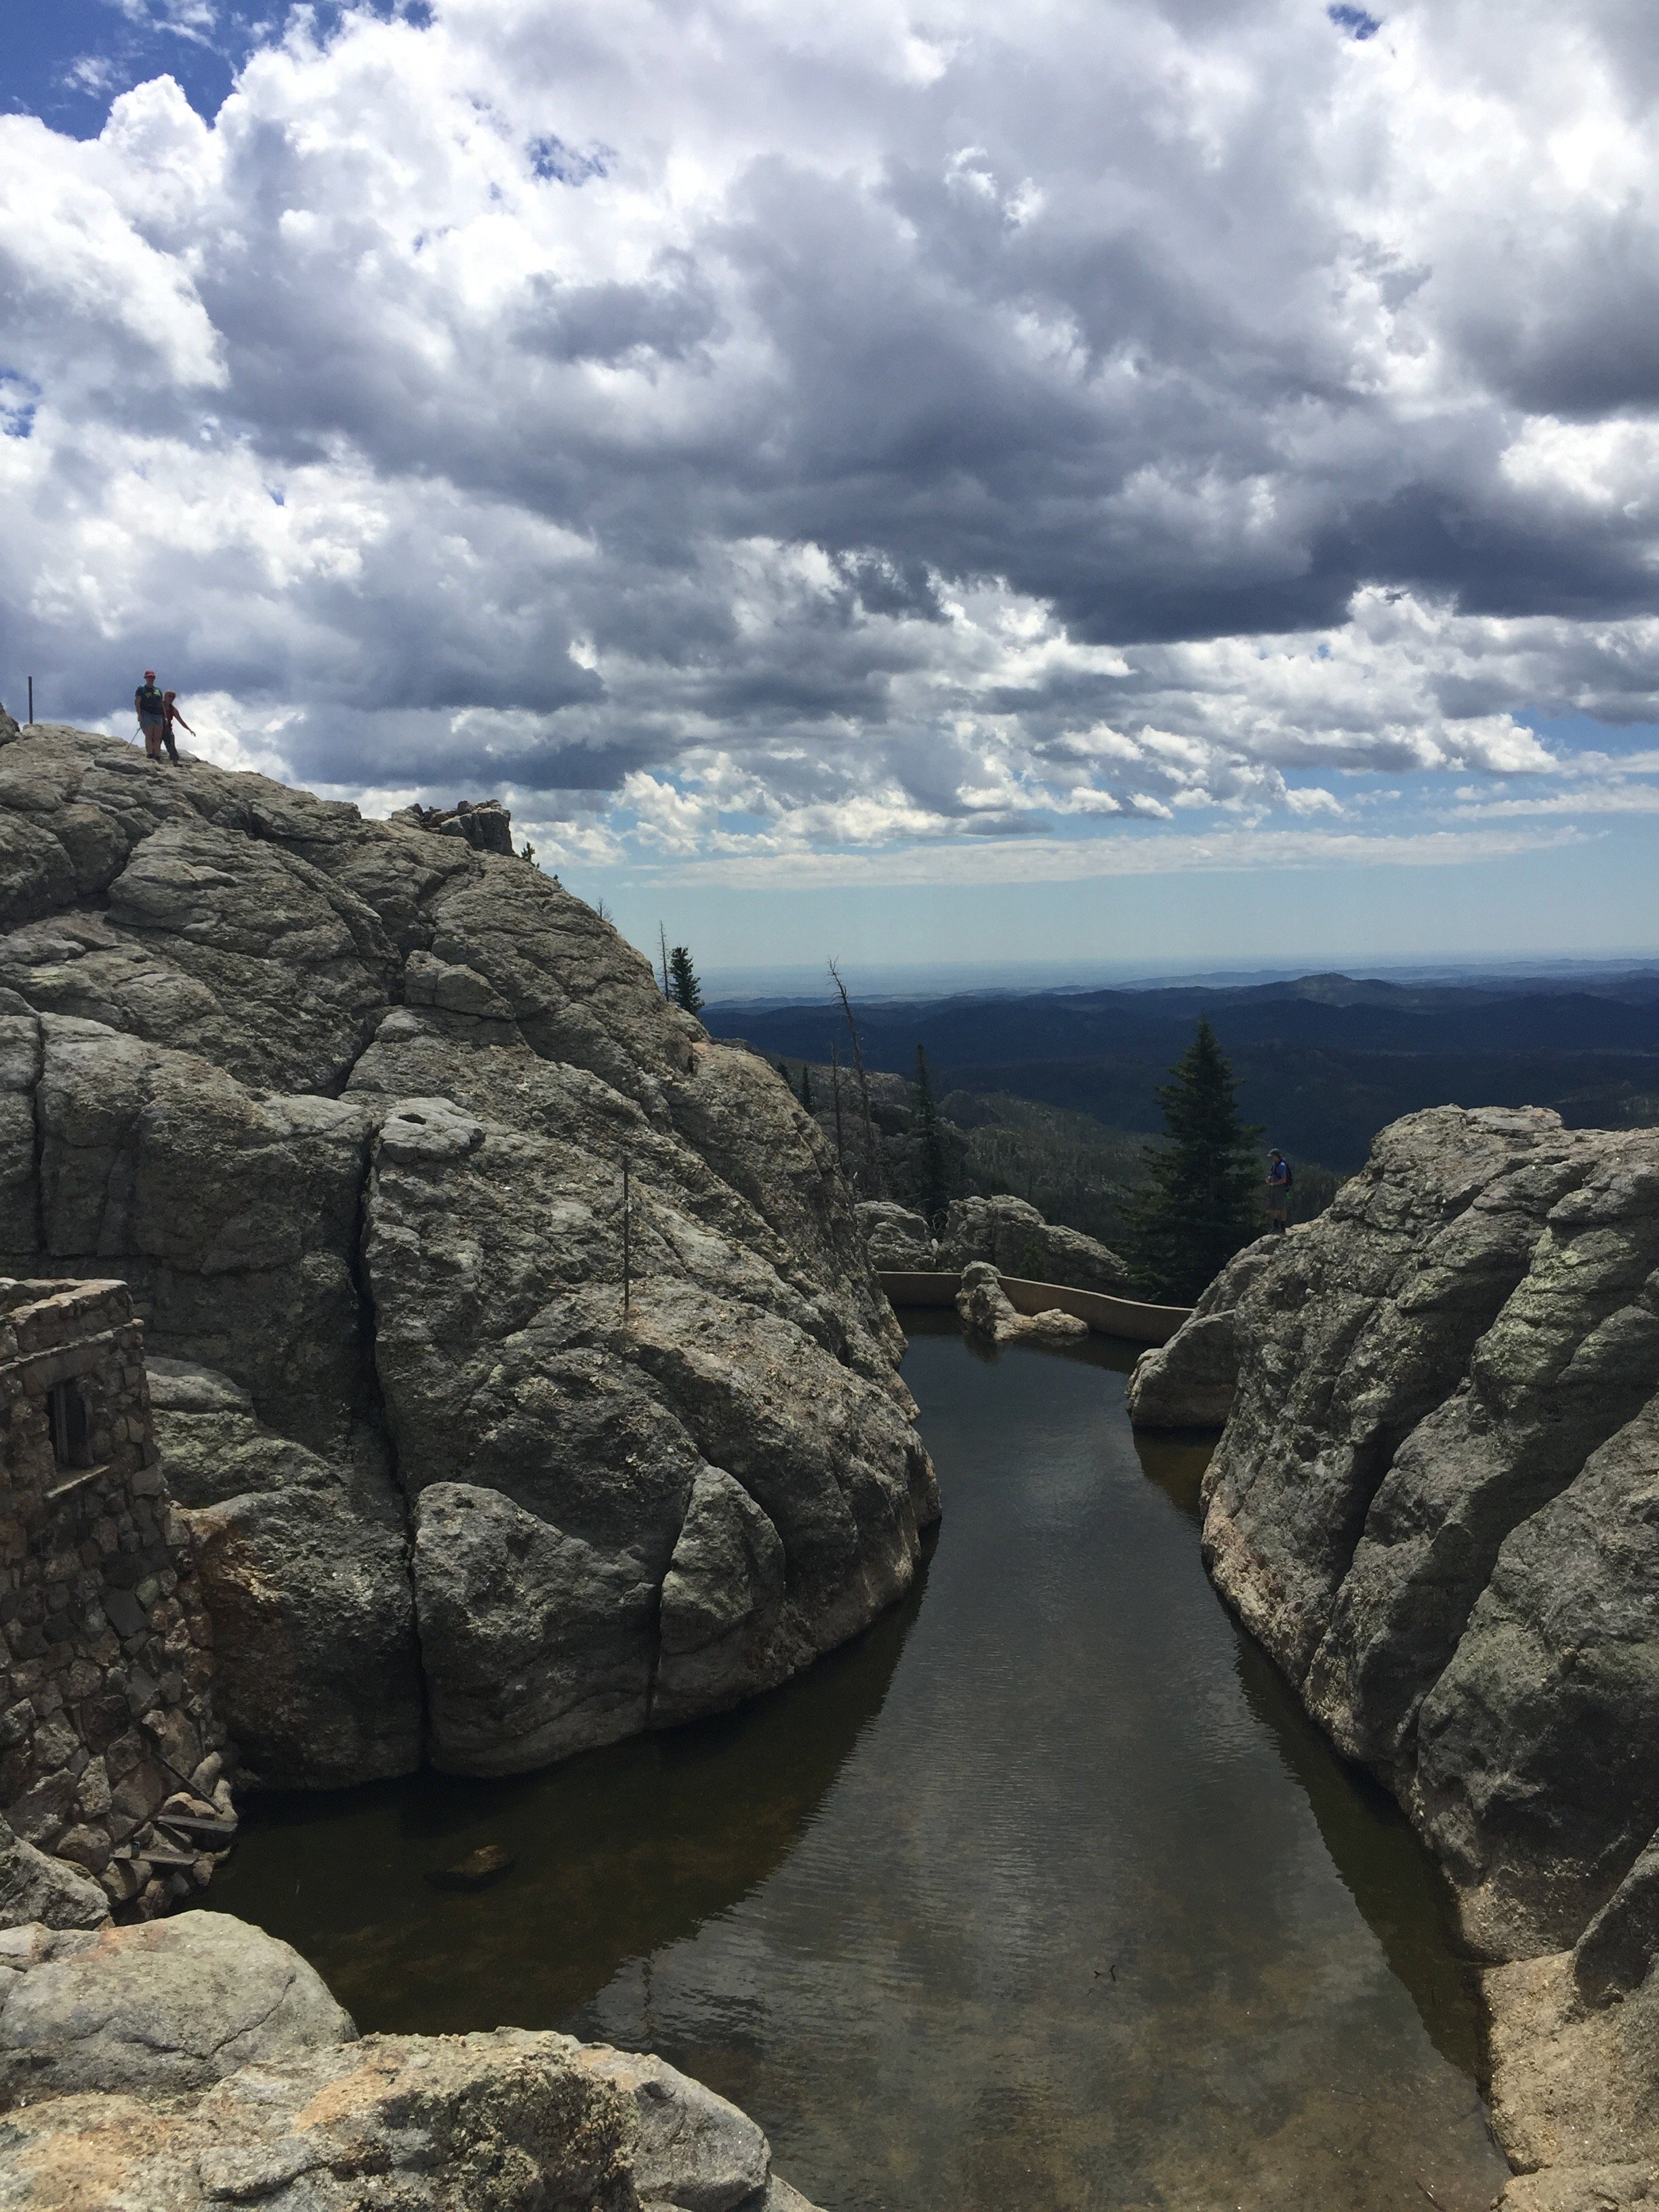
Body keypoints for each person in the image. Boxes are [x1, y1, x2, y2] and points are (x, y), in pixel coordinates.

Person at [134, 672, 165, 762]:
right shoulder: (141, 689)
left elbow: (161, 703)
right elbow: (137, 702)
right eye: (149, 677)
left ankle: (158, 754)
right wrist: (139, 714)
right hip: (147, 713)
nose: (151, 679)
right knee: (149, 735)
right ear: (146, 678)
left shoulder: (157, 690)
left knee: (158, 736)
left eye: (152, 677)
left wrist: (165, 716)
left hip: (158, 714)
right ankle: (150, 753)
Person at [161, 690, 193, 764]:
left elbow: (181, 721)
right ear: (165, 697)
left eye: (173, 697)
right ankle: (154, 759)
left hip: (167, 729)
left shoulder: (173, 710)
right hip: (157, 728)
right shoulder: (159, 706)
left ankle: (175, 762)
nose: (171, 698)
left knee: (171, 745)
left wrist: (189, 729)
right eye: (169, 696)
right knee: (155, 743)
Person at [1266, 1148, 1292, 1233]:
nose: (1271, 1158)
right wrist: (1270, 1179)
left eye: (1272, 1157)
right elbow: (1273, 1174)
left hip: (1280, 1188)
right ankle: (1275, 1226)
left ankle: (1282, 1227)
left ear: (1277, 1156)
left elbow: (1284, 1180)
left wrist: (1274, 1183)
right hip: (1274, 1188)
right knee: (1272, 1207)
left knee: (1281, 1207)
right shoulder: (1274, 1165)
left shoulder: (1281, 1166)